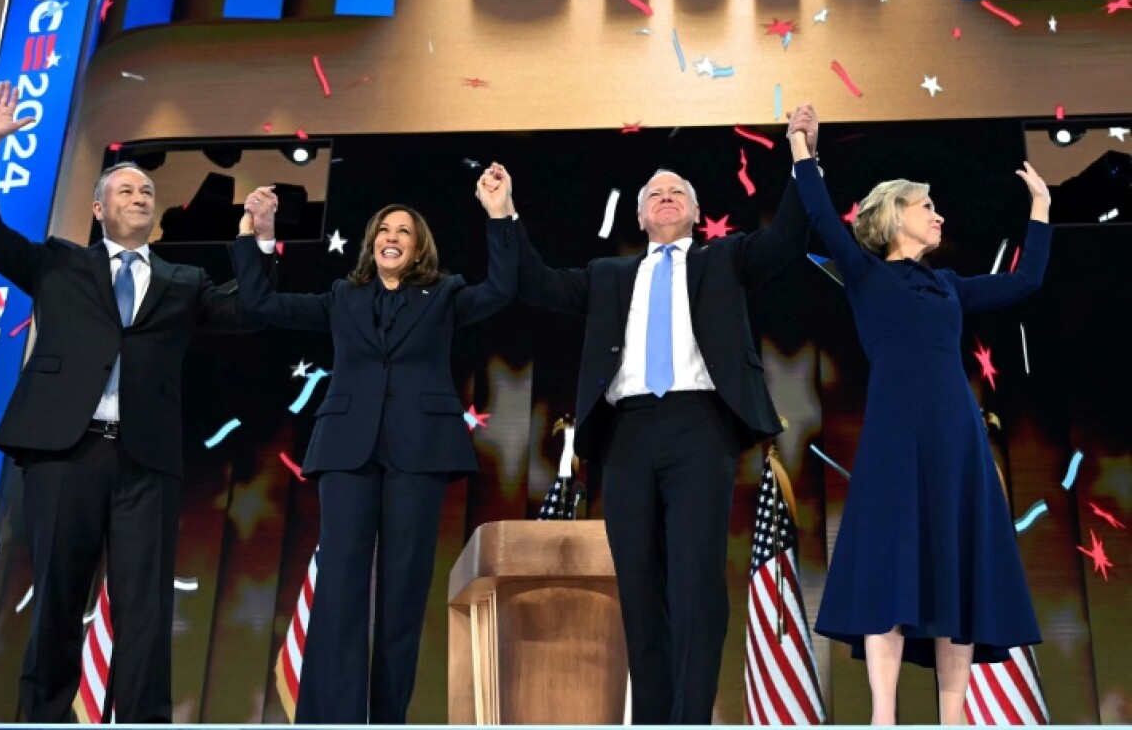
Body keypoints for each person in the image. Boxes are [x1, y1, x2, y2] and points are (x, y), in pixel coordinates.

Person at [481, 105, 816, 724]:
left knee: (695, 583)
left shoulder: (726, 259)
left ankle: (691, 718)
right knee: (638, 588)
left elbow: (789, 239)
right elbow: (537, 284)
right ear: (639, 216)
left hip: (700, 427)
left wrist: (802, 156)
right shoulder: (609, 275)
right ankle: (657, 720)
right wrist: (504, 217)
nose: (666, 198)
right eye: (654, 194)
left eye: (677, 193)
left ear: (693, 211)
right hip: (626, 434)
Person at [0, 82, 273, 722]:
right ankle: (42, 716)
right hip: (63, 454)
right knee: (56, 599)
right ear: (100, 210)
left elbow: (249, 311)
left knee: (145, 605)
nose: (139, 197)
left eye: (147, 192)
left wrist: (259, 241)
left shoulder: (183, 282)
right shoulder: (57, 264)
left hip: (144, 462)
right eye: (126, 190)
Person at [788, 116, 1050, 725]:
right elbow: (822, 214)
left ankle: (951, 716)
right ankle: (885, 716)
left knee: (955, 565)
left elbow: (1027, 279)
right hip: (893, 438)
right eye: (926, 205)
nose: (938, 215)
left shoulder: (950, 287)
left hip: (956, 438)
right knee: (890, 567)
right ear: (893, 215)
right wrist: (801, 147)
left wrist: (1039, 208)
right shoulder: (865, 273)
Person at [233, 178, 518, 723]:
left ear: (418, 246)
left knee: (404, 591)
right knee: (340, 584)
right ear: (371, 243)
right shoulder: (344, 296)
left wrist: (500, 215)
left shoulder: (447, 295)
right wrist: (260, 238)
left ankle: (387, 719)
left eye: (403, 232)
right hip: (348, 452)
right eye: (384, 230)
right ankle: (330, 718)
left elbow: (503, 287)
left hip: (420, 453)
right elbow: (261, 303)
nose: (392, 238)